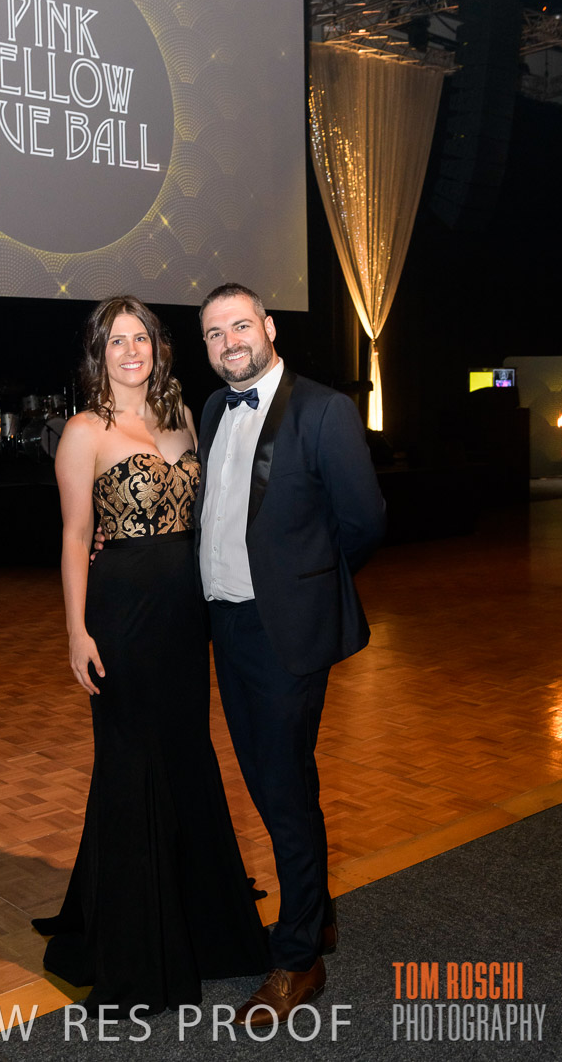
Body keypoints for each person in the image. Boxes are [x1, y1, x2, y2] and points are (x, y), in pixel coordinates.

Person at [31, 295, 269, 1017]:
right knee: (131, 764)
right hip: (122, 618)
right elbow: (75, 537)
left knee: (186, 756)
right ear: (98, 354)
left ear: (158, 348)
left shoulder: (183, 418)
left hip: (184, 617)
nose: (131, 350)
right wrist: (76, 631)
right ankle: (135, 951)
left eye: (141, 338)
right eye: (116, 341)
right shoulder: (83, 431)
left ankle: (203, 926)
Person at [196, 283, 386, 1026]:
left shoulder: (324, 410)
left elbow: (363, 521)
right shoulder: (213, 410)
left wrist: (305, 587)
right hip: (227, 627)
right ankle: (319, 912)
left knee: (279, 788)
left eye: (240, 326)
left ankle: (299, 955)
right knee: (276, 780)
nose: (229, 342)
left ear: (269, 328)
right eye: (214, 334)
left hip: (286, 635)